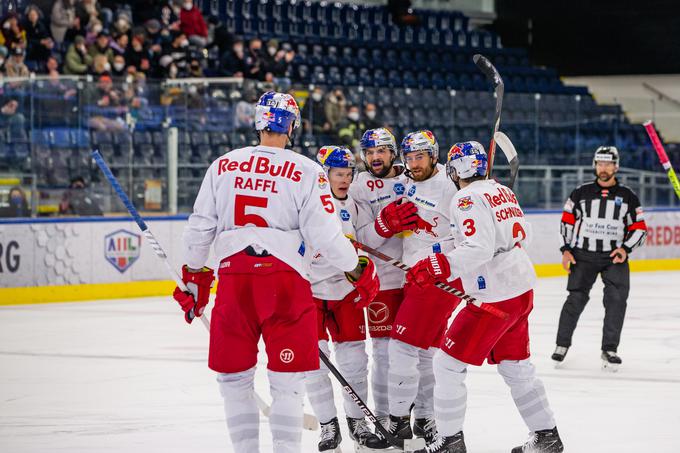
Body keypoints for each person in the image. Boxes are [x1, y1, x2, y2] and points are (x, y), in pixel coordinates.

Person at [172, 91, 380, 453]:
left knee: (235, 380)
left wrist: (194, 278)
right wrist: (357, 267)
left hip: (235, 280)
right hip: (286, 283)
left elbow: (199, 228)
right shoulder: (307, 169)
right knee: (287, 382)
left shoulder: (223, 164)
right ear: (293, 127)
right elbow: (325, 236)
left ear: (257, 123)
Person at [410, 141, 564, 453]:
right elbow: (524, 235)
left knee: (447, 366)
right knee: (516, 367)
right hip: (520, 289)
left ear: (454, 170)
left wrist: (440, 265)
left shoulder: (465, 198)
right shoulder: (503, 191)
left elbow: (478, 249)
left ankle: (450, 442)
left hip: (493, 297)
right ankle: (547, 436)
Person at [375, 130, 461, 447]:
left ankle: (398, 423)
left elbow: (465, 237)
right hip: (416, 275)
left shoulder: (449, 189)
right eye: (409, 157)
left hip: (435, 278)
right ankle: (426, 417)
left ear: (433, 155)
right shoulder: (411, 181)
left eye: (419, 157)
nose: (413, 163)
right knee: (427, 352)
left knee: (401, 347)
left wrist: (440, 263)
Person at [304, 145, 384, 452]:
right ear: (324, 174)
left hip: (345, 293)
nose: (345, 180)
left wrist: (366, 272)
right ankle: (328, 426)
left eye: (349, 174)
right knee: (313, 365)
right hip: (310, 294)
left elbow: (366, 243)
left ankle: (358, 424)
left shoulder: (355, 203)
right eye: (339, 174)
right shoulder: (307, 203)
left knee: (354, 362)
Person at [553, 146, 647, 370]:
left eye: (608, 164)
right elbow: (566, 222)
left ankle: (609, 349)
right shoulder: (580, 192)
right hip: (583, 255)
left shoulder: (628, 196)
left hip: (614, 257)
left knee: (616, 300)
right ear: (595, 165)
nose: (603, 168)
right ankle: (561, 345)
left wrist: (625, 249)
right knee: (575, 300)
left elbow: (640, 228)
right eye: (600, 163)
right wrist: (566, 249)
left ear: (616, 166)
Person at [348, 128, 408, 432]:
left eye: (380, 151)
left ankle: (419, 415)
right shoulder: (357, 187)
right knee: (384, 353)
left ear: (392, 152)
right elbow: (359, 239)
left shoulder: (411, 179)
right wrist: (384, 225)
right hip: (383, 281)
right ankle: (385, 415)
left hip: (415, 279)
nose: (374, 158)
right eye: (369, 152)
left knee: (420, 352)